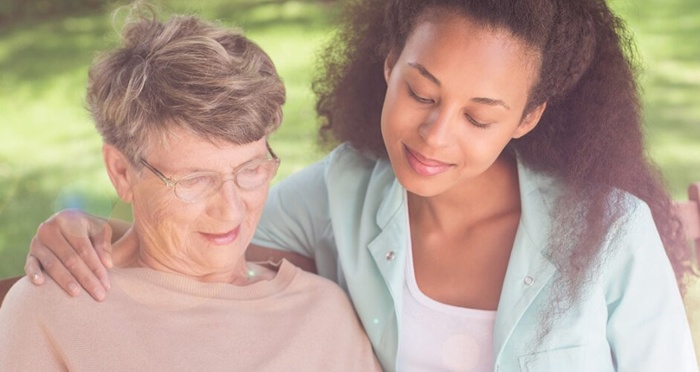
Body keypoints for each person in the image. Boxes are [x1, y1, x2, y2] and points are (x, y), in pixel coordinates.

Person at [22, 0, 699, 370]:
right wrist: (93, 231)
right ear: (387, 65)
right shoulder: (339, 193)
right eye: (420, 91)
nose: (435, 136)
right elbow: (209, 228)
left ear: (526, 117)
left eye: (479, 116)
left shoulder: (609, 237)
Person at [0, 5, 380, 371]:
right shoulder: (54, 311)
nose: (231, 210)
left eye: (250, 170)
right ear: (121, 172)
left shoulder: (324, 313)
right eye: (195, 180)